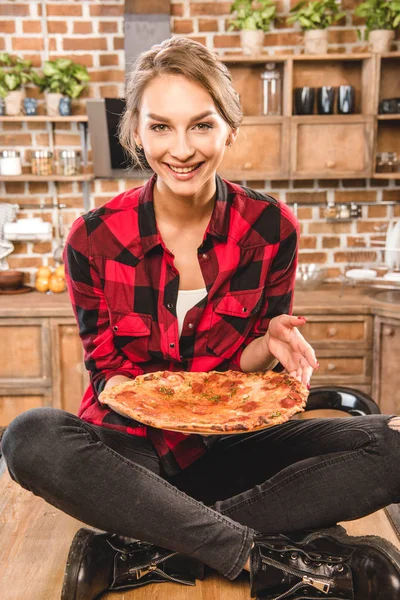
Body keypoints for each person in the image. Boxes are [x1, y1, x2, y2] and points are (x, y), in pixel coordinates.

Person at [2, 36, 400, 600]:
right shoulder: (93, 237)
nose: (181, 148)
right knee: (29, 437)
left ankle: (151, 546)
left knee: (395, 443)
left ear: (229, 128)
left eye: (201, 125)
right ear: (135, 132)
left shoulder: (272, 227)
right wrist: (148, 397)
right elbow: (106, 370)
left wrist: (270, 340)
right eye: (160, 126)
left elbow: (247, 367)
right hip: (131, 455)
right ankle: (267, 559)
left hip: (233, 443)